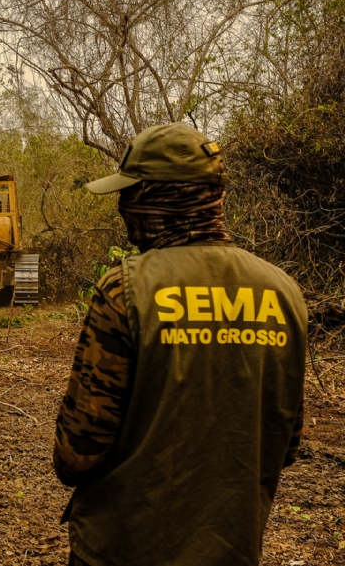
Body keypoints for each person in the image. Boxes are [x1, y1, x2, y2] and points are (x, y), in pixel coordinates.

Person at [53, 123, 307, 566]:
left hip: (122, 548)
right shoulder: (283, 292)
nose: (123, 210)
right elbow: (286, 443)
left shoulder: (125, 290)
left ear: (158, 199)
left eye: (130, 195)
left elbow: (77, 454)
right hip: (231, 548)